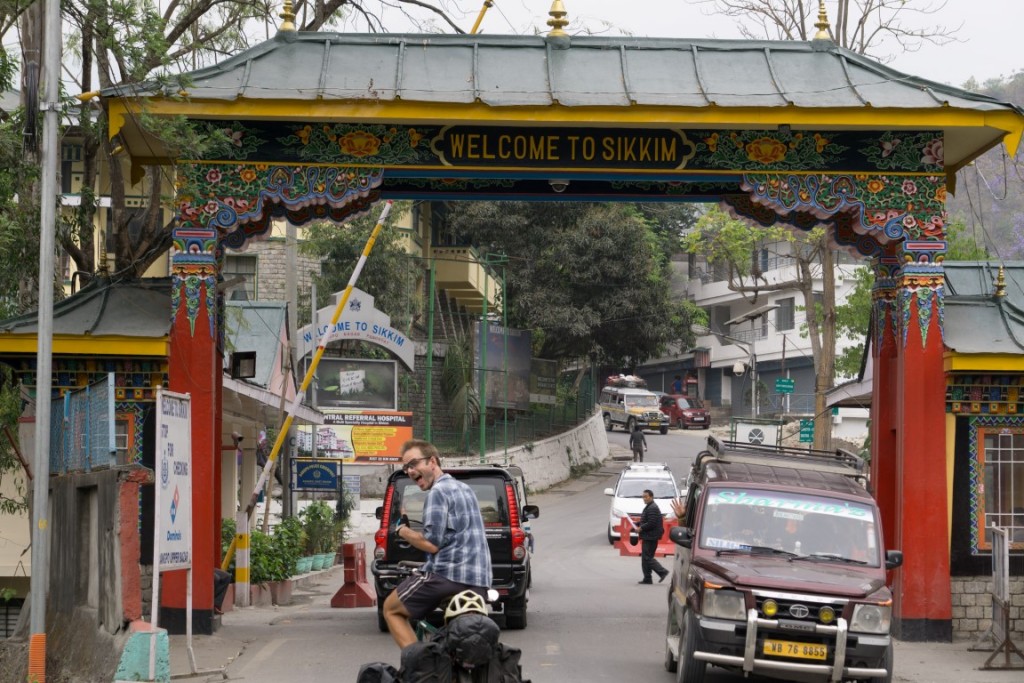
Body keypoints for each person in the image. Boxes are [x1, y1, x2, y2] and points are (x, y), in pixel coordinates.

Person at [382, 439, 492, 649]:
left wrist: (402, 530)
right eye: (406, 467)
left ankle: (418, 668)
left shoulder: (438, 492)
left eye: (413, 464)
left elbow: (432, 544)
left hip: (447, 576)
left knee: (391, 609)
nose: (409, 471)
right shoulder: (465, 489)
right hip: (480, 582)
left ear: (432, 461)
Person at [636, 489, 669, 584]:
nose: (644, 498)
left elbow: (652, 523)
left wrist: (641, 528)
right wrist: (637, 523)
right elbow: (647, 520)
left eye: (646, 496)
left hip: (651, 536)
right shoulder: (649, 507)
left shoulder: (652, 507)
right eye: (643, 497)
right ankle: (647, 578)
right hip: (648, 536)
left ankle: (662, 571)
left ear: (651, 497)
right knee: (645, 557)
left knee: (647, 557)